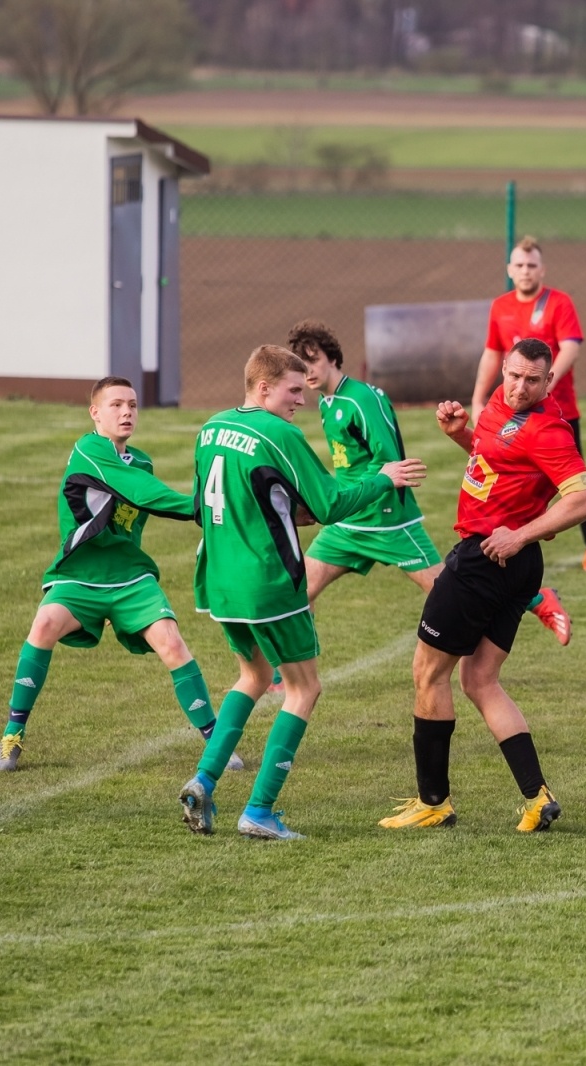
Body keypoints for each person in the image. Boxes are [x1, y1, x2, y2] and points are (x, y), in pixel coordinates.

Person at [178, 345, 424, 841]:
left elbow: (213, 503)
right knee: (304, 688)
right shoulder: (280, 434)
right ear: (263, 387)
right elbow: (330, 503)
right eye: (293, 389)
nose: (302, 400)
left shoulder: (210, 428)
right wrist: (382, 478)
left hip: (221, 584)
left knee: (252, 676)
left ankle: (203, 780)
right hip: (268, 583)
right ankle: (260, 810)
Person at [380, 338, 586, 833]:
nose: (521, 388)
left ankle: (432, 801)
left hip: (487, 559)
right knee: (480, 680)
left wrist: (519, 533)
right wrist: (461, 434)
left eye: (533, 380)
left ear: (549, 382)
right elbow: (496, 456)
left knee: (427, 674)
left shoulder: (549, 430)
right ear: (505, 368)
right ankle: (537, 798)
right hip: (513, 564)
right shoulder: (500, 405)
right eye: (515, 375)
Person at [0, 377, 235, 774]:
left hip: (130, 576)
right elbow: (148, 496)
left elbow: (142, 489)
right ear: (95, 413)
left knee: (172, 644)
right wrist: (202, 507)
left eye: (133, 405)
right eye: (117, 405)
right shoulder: (89, 449)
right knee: (44, 624)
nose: (127, 413)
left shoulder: (140, 460)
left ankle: (217, 741)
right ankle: (11, 736)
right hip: (79, 574)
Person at [290, 319, 571, 645]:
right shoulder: (327, 403)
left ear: (332, 357)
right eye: (301, 365)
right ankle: (291, 676)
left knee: (447, 592)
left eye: (313, 360)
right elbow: (347, 467)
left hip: (387, 521)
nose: (307, 371)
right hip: (348, 520)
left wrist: (359, 495)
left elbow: (390, 462)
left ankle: (536, 600)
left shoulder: (360, 399)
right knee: (298, 591)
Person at [470, 236, 586, 573]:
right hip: (510, 412)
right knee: (504, 471)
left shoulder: (559, 303)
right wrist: (477, 396)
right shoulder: (500, 306)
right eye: (519, 265)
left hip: (556, 412)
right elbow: (492, 353)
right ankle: (504, 539)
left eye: (532, 265)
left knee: (575, 481)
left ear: (542, 270)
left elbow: (570, 348)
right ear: (509, 270)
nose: (526, 271)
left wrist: (546, 386)